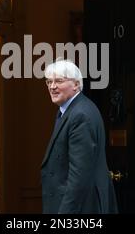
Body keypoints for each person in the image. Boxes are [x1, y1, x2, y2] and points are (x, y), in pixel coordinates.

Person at [41, 59, 118, 214]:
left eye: (59, 81)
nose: (52, 87)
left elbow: (79, 176)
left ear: (76, 84)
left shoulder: (80, 115)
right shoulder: (68, 110)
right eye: (49, 82)